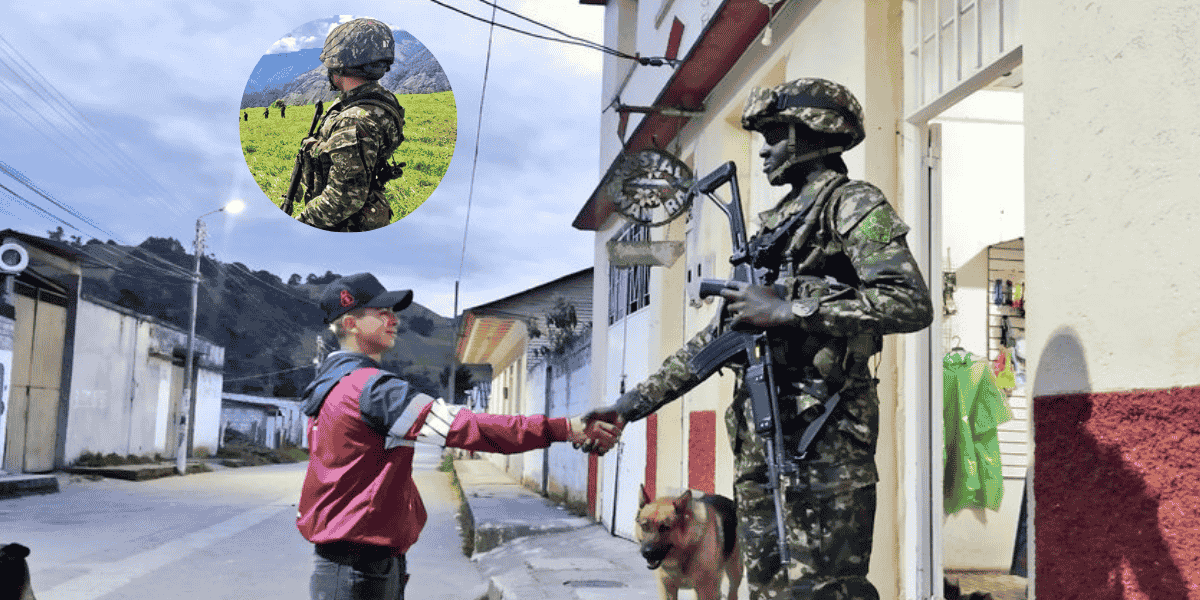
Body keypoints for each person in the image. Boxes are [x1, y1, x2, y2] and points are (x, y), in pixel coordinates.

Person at [588, 78, 933, 599]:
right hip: (762, 449)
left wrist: (791, 308)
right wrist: (630, 404)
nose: (765, 149)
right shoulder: (772, 227)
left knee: (825, 590)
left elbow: (908, 301)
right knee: (768, 589)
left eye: (775, 134)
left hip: (825, 448)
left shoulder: (850, 203)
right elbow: (713, 343)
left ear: (813, 134)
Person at [298, 273, 620, 600]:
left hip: (352, 564)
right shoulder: (371, 389)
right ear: (351, 323)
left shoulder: (330, 386)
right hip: (359, 570)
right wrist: (563, 428)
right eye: (381, 312)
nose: (394, 319)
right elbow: (465, 427)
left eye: (393, 311)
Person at [295, 18, 406, 232]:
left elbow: (341, 201)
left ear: (339, 63)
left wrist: (299, 224)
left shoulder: (354, 120)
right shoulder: (379, 99)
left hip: (346, 227)